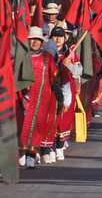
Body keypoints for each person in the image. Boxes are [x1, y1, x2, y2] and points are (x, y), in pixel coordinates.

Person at [17, 26, 59, 168]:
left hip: (42, 98)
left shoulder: (47, 58)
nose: (34, 42)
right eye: (32, 39)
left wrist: (59, 93)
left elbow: (54, 77)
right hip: (23, 98)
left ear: (42, 42)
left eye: (37, 40)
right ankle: (21, 153)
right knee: (23, 125)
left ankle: (31, 155)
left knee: (36, 127)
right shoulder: (21, 57)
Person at [50, 26, 82, 161]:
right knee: (49, 117)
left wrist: (68, 64)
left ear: (65, 38)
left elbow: (78, 71)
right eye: (55, 36)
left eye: (60, 37)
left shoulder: (70, 53)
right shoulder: (46, 52)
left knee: (64, 118)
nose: (57, 39)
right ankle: (49, 147)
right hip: (50, 87)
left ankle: (59, 145)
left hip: (66, 87)